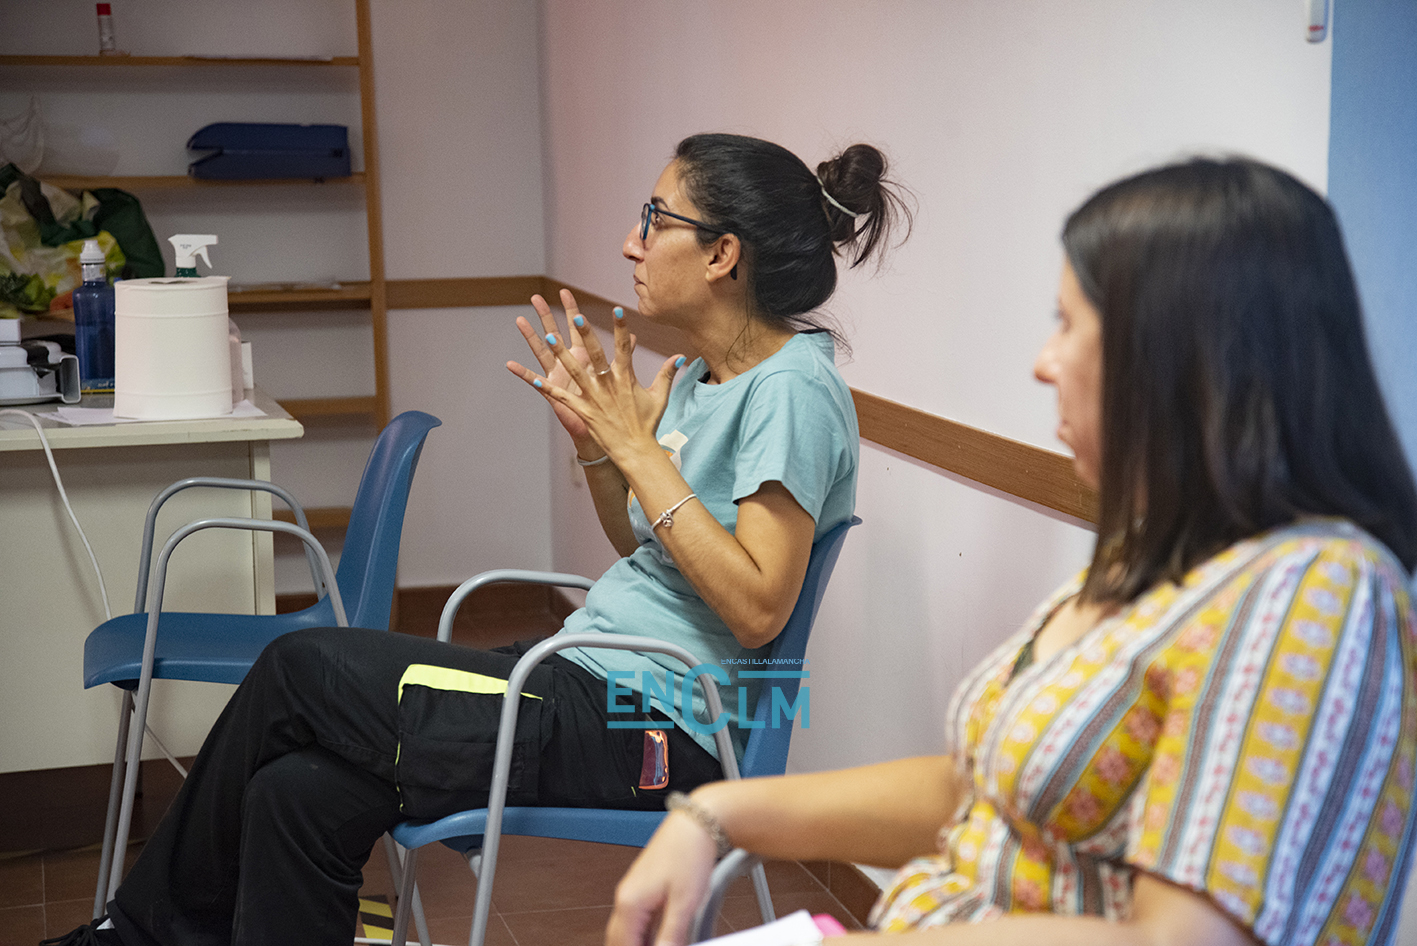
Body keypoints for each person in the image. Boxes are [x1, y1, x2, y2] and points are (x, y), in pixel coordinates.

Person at [42, 132, 910, 946]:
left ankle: (136, 935)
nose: (630, 243)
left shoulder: (791, 393)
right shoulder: (705, 379)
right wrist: (601, 453)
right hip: (585, 679)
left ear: (722, 254)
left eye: (655, 219)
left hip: (653, 728)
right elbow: (652, 552)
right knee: (295, 793)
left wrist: (643, 455)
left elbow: (756, 608)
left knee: (299, 667)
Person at [606, 158, 1417, 946]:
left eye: (1068, 324)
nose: (1042, 363)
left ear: (1183, 354)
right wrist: (712, 816)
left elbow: (1184, 938)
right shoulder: (1154, 559)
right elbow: (977, 790)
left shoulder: (1315, 589)